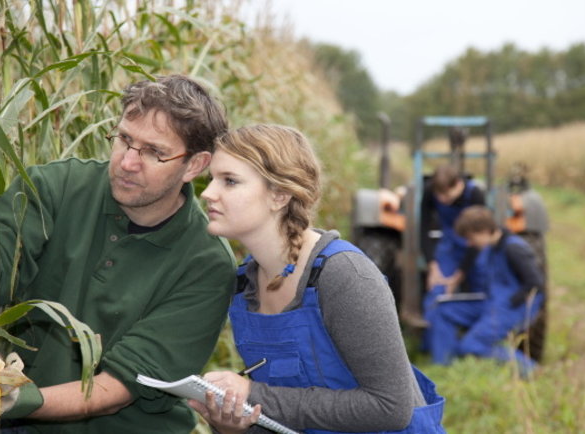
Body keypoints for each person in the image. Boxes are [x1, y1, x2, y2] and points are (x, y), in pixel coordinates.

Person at [0, 75, 236, 432]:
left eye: (154, 152)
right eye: (124, 140)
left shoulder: (207, 263)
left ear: (194, 165)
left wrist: (17, 399)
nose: (128, 162)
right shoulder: (52, 187)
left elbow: (115, 389)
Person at [191, 124, 446, 434]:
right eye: (212, 179)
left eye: (229, 181)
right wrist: (238, 424)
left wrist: (254, 395)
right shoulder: (245, 285)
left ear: (280, 195)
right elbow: (294, 414)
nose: (207, 193)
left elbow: (390, 408)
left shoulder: (344, 276)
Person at [428, 206, 544, 373]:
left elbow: (536, 283)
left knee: (472, 344)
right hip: (492, 301)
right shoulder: (490, 248)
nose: (469, 243)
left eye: (470, 238)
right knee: (443, 310)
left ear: (483, 231)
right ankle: (444, 366)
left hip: (513, 307)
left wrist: (511, 302)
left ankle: (531, 370)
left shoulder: (514, 248)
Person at [420, 164, 488, 350]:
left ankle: (478, 342)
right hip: (449, 244)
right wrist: (432, 265)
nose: (443, 200)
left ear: (458, 185)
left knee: (482, 288)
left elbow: (480, 238)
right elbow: (423, 228)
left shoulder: (475, 194)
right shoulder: (429, 191)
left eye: (447, 196)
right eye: (439, 197)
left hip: (475, 246)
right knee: (437, 288)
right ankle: (434, 348)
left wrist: (459, 275)